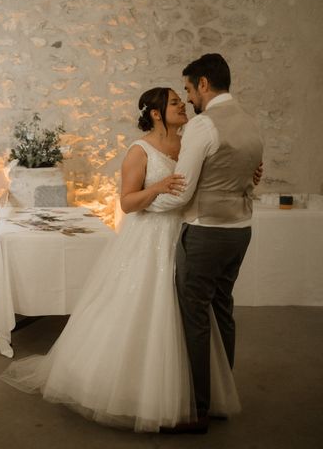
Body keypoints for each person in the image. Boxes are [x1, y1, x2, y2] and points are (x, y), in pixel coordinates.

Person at [0, 87, 241, 432]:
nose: (183, 106)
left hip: (184, 235)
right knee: (143, 306)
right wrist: (157, 188)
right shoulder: (139, 150)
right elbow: (127, 203)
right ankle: (135, 392)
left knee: (186, 312)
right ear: (156, 113)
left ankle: (188, 390)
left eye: (181, 100)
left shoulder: (190, 142)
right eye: (175, 103)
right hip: (148, 239)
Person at [147, 53, 263, 432]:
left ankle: (197, 410)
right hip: (240, 230)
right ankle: (220, 396)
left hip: (206, 232)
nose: (188, 99)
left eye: (188, 89)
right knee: (222, 311)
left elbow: (181, 193)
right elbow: (249, 176)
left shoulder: (203, 126)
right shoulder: (250, 123)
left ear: (203, 84)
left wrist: (147, 202)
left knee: (195, 318)